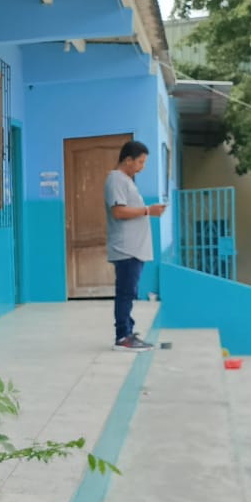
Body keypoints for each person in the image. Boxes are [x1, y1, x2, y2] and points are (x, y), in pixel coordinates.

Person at [105, 139, 166, 352]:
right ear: (128, 160)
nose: (142, 167)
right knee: (125, 293)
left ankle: (128, 331)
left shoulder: (127, 181)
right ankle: (122, 337)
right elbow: (118, 211)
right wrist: (148, 210)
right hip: (126, 249)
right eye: (140, 162)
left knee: (129, 292)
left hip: (134, 249)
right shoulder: (116, 179)